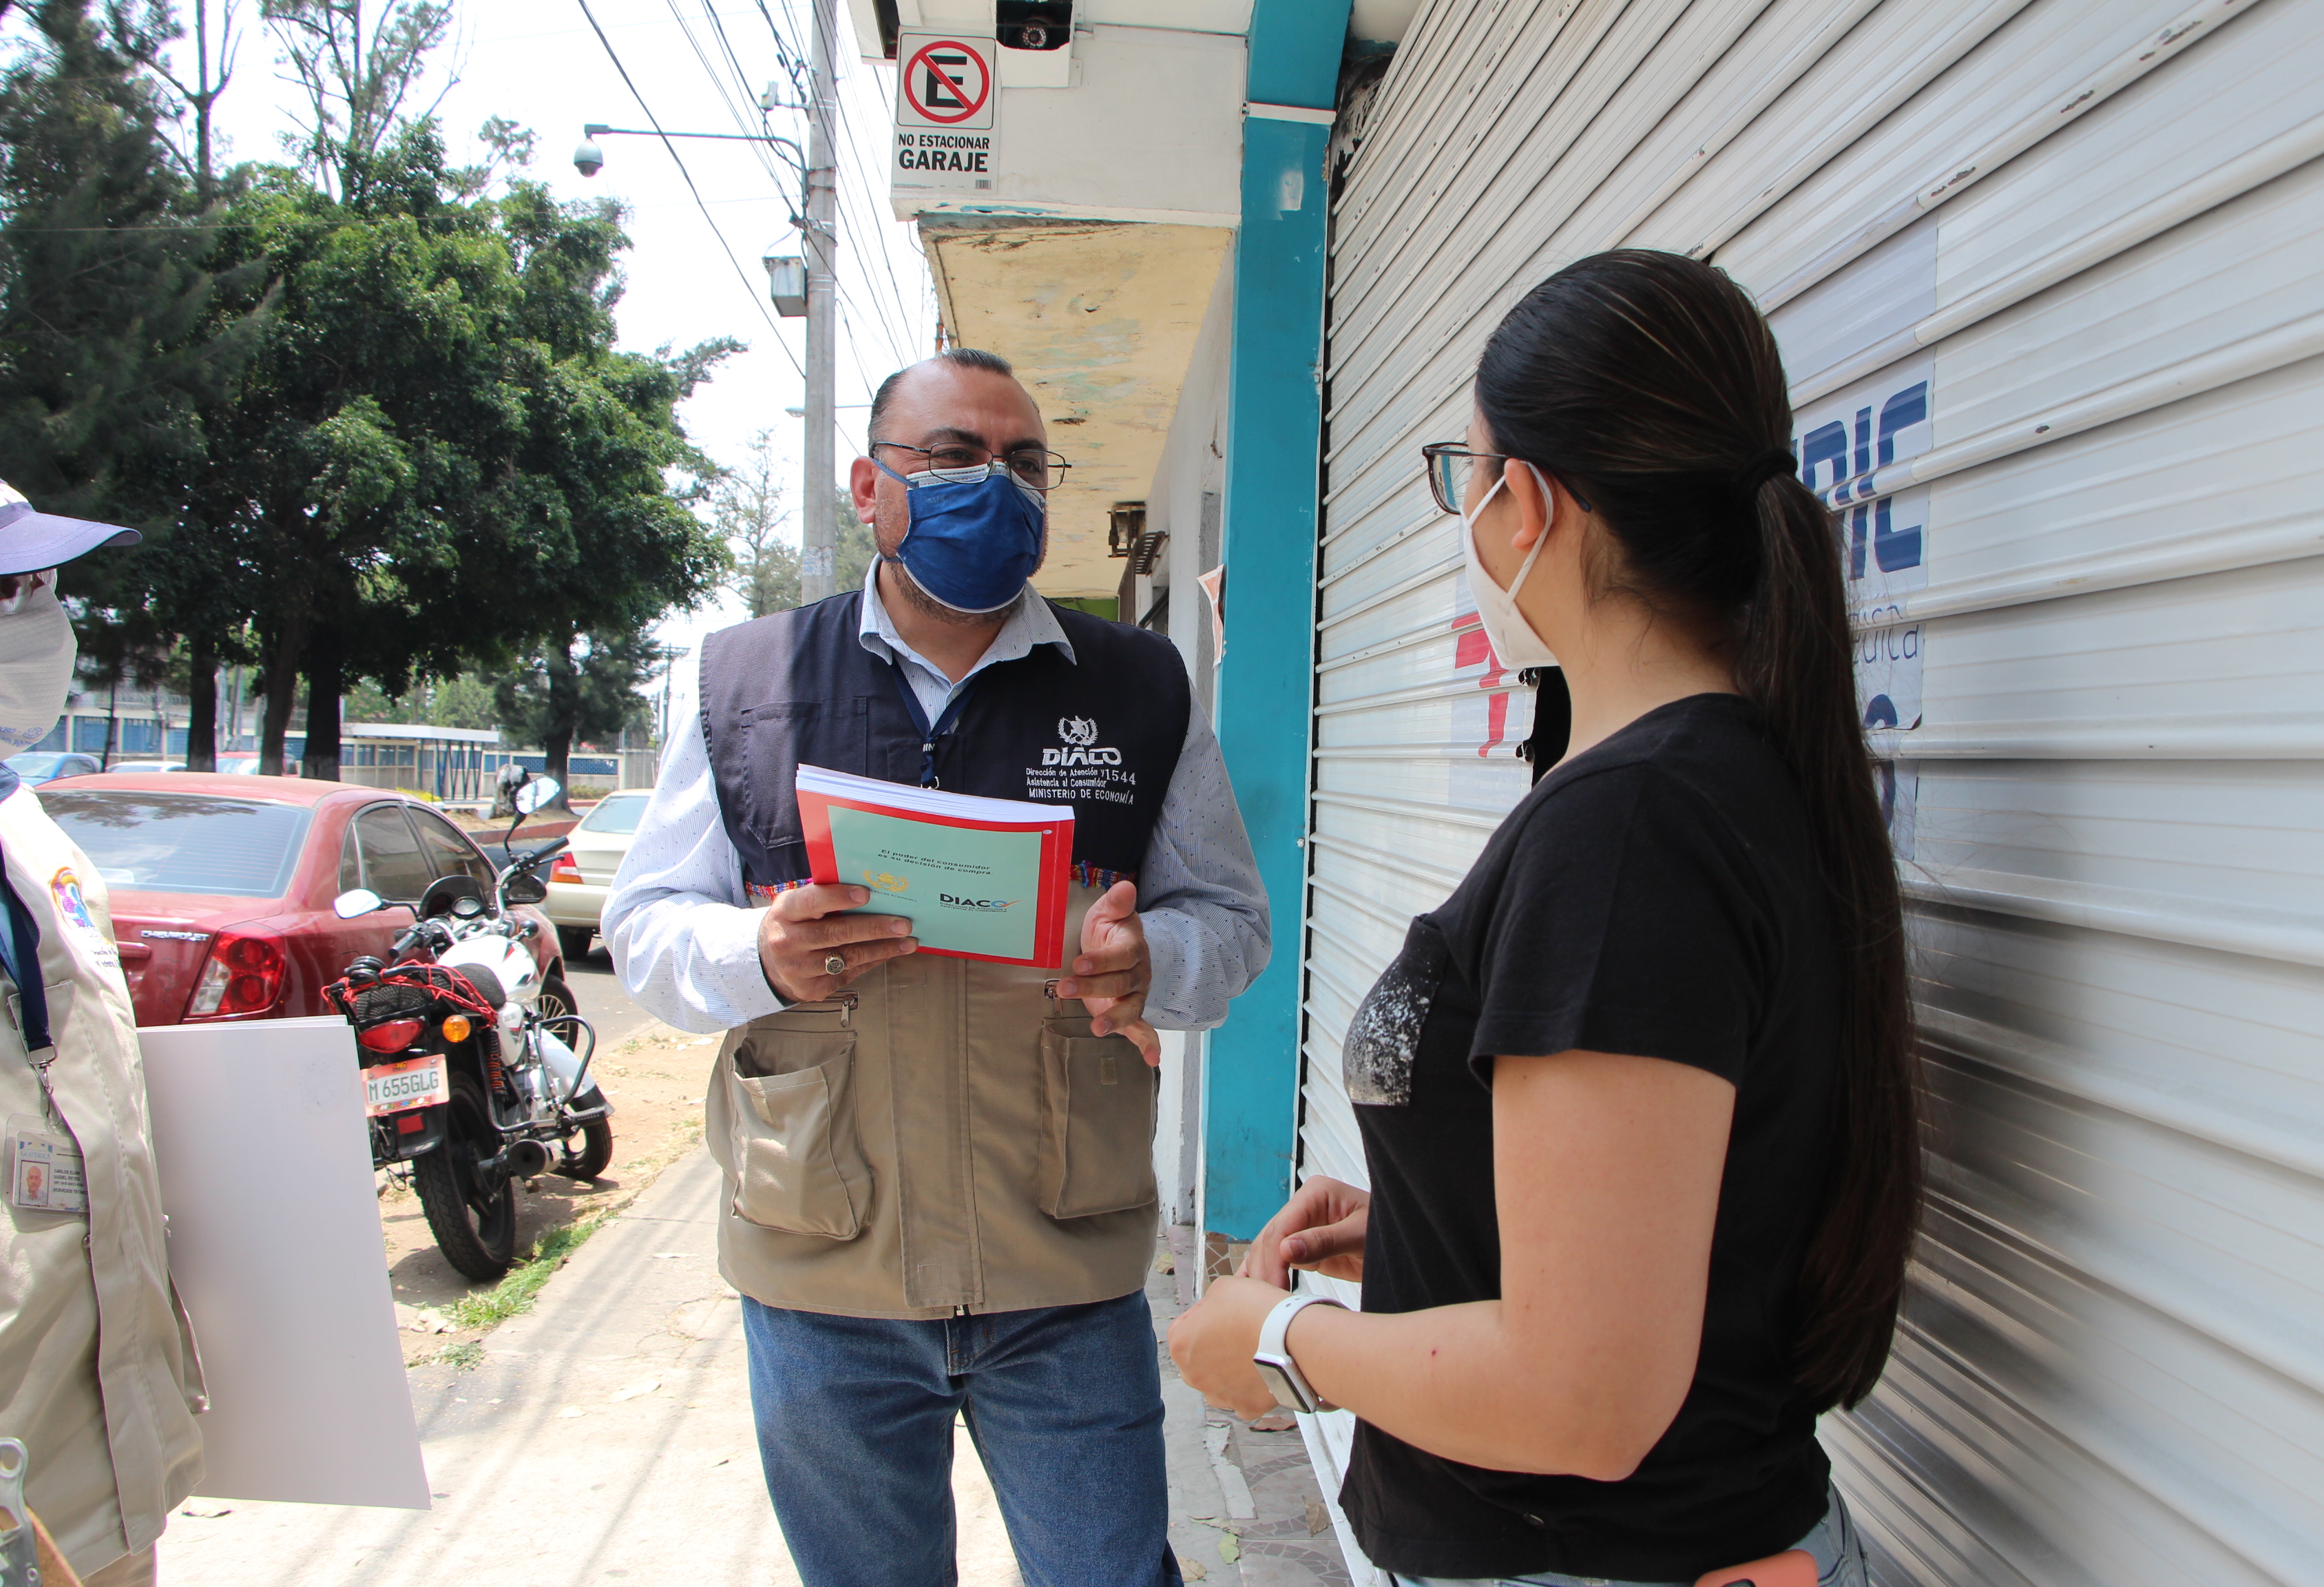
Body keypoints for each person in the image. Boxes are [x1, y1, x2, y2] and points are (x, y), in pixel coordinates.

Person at [1168, 251, 1919, 1587]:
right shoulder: (1722, 782)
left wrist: (1279, 1343)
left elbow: (1588, 1401)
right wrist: (1431, 1202)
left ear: (1526, 504)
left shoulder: (1631, 829)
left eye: (1468, 479)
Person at [605, 347, 1270, 1587]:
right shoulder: (746, 684)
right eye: (955, 456)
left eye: (1024, 462)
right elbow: (643, 926)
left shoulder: (1135, 686)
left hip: (1059, 1266)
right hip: (824, 1273)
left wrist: (1148, 964)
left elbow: (1229, 924)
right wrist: (757, 952)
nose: (997, 486)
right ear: (870, 486)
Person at [0, 481, 207, 1587]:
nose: (44, 615)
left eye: (44, 585)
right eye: (10, 589)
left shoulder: (24, 818)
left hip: (95, 1455)